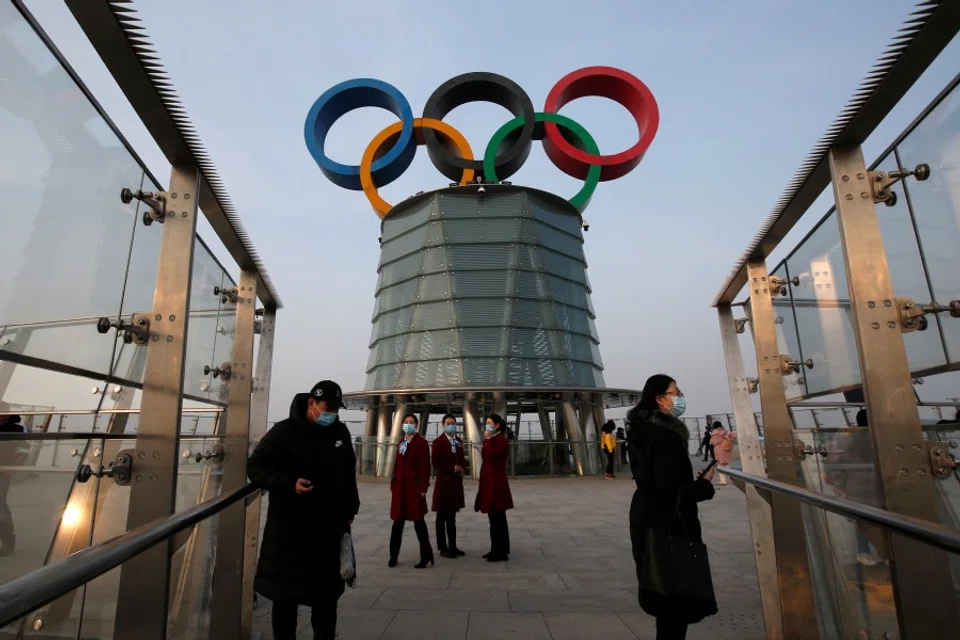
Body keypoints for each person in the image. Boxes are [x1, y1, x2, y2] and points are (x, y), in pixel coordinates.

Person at [247, 380, 359, 640]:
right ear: (311, 403)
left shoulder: (340, 432)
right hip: (289, 531)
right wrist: (288, 483)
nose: (331, 413)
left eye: (335, 409)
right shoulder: (284, 432)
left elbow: (348, 472)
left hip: (329, 528)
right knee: (285, 597)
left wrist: (351, 506)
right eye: (326, 407)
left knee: (327, 596)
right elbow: (255, 467)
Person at [628, 374, 716, 640]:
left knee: (663, 591)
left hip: (646, 516)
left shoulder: (640, 431)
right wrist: (703, 486)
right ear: (659, 398)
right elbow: (668, 490)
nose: (679, 397)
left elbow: (655, 481)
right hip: (668, 522)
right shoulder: (666, 438)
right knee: (675, 599)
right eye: (675, 392)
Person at [389, 413, 434, 568]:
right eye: (406, 422)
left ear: (416, 425)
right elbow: (396, 463)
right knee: (397, 523)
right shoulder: (401, 441)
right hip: (399, 488)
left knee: (418, 522)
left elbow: (425, 467)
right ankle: (393, 556)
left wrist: (423, 487)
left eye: (411, 422)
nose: (408, 424)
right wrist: (393, 484)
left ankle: (426, 555)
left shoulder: (421, 443)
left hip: (414, 488)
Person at [475, 413, 513, 562]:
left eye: (490, 422)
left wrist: (488, 439)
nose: (487, 425)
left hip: (497, 484)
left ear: (497, 425)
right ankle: (495, 548)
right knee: (493, 518)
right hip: (489, 483)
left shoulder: (500, 440)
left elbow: (492, 455)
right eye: (487, 422)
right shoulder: (491, 440)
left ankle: (501, 550)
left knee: (498, 518)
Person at [432, 413, 467, 558]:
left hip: (455, 483)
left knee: (452, 516)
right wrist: (452, 468)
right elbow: (436, 462)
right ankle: (443, 547)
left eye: (453, 422)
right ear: (443, 425)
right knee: (441, 516)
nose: (450, 425)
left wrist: (462, 468)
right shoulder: (438, 442)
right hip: (444, 483)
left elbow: (462, 458)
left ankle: (453, 546)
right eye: (448, 423)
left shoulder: (458, 441)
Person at [0, 415, 27, 555]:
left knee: (0, 505)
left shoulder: (16, 429)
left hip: (3, 472)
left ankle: (8, 541)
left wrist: (13, 467)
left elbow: (23, 449)